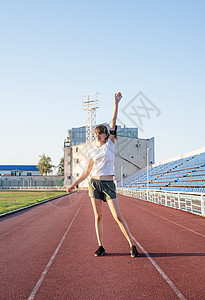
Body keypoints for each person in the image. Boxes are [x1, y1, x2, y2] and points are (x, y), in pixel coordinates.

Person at [66, 92, 140, 258]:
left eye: (101, 132)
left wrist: (116, 103)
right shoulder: (92, 150)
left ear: (107, 135)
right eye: (96, 132)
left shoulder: (110, 145)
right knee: (98, 216)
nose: (98, 134)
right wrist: (74, 184)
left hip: (108, 184)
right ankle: (100, 246)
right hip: (94, 184)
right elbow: (87, 171)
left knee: (117, 216)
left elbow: (113, 122)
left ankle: (132, 245)